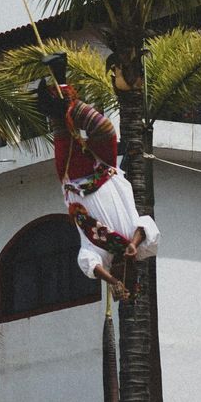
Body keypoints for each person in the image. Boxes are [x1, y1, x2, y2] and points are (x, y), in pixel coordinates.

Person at [33, 59, 160, 300]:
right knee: (105, 129)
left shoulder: (101, 255)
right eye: (128, 279)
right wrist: (132, 244)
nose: (124, 274)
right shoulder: (144, 249)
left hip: (75, 181)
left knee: (61, 128)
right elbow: (147, 225)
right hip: (103, 167)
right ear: (136, 276)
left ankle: (58, 72)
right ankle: (64, 100)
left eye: (121, 276)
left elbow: (88, 264)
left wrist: (112, 281)